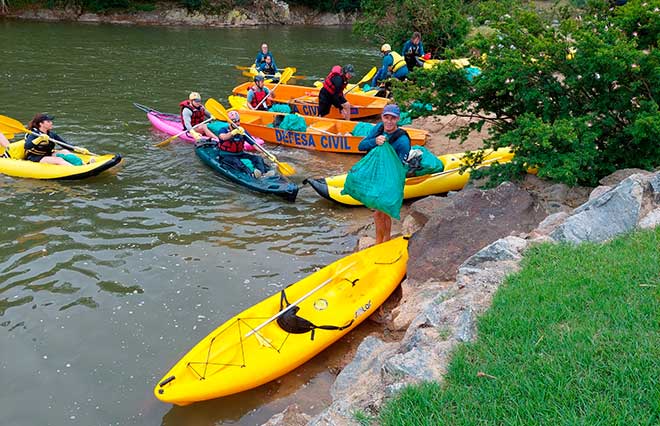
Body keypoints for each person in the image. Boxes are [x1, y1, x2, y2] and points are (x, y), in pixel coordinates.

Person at [357, 104, 411, 244]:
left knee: (382, 211)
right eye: (386, 117)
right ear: (382, 117)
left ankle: (382, 240)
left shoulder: (403, 140)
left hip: (391, 178)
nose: (388, 121)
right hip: (376, 175)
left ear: (398, 119)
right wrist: (374, 141)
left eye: (392, 118)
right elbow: (361, 146)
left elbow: (400, 165)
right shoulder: (379, 128)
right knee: (379, 212)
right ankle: (382, 239)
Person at [216, 110, 276, 179]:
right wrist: (233, 132)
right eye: (235, 121)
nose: (237, 123)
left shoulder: (242, 131)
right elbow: (223, 137)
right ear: (230, 122)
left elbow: (254, 144)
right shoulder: (224, 130)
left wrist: (266, 153)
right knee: (238, 163)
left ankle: (263, 173)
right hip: (226, 155)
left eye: (238, 121)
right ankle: (251, 174)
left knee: (257, 158)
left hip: (240, 154)